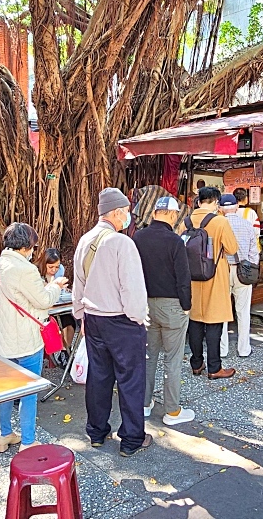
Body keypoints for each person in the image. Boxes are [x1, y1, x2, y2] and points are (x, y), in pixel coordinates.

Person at [72, 187, 151, 457]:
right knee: (130, 379)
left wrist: (80, 316)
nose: (128, 216)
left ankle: (96, 432)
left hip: (93, 320)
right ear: (117, 212)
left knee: (99, 376)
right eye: (127, 212)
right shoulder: (121, 243)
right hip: (121, 322)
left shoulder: (85, 240)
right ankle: (131, 439)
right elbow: (133, 289)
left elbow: (77, 286)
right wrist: (138, 318)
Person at [0, 223, 67, 453]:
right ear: (26, 246)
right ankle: (28, 441)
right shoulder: (26, 269)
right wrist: (56, 285)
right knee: (28, 392)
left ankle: (4, 435)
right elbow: (44, 301)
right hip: (25, 340)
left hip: (1, 341)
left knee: (5, 390)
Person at [133, 196, 195, 425]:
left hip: (146, 304)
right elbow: (183, 278)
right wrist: (186, 306)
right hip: (172, 305)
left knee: (148, 356)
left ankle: (144, 403)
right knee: (173, 359)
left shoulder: (138, 237)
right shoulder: (175, 241)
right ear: (171, 215)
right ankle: (172, 411)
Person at [185, 188, 239, 380]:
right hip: (214, 277)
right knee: (214, 324)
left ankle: (197, 364)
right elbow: (232, 248)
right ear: (216, 203)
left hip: (191, 278)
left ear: (199, 202)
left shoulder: (186, 221)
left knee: (195, 322)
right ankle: (214, 368)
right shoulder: (220, 221)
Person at [219, 194, 260, 359]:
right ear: (237, 207)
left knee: (221, 312)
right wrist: (249, 266)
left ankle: (222, 350)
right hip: (243, 271)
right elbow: (254, 252)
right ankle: (244, 349)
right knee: (243, 312)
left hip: (222, 271)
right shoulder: (247, 225)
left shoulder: (218, 225)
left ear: (221, 209)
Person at [42, 248, 74, 357]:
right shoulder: (36, 272)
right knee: (58, 323)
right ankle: (62, 352)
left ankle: (65, 351)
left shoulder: (60, 270)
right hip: (44, 310)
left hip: (59, 306)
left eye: (57, 266)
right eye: (51, 267)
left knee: (69, 322)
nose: (54, 270)